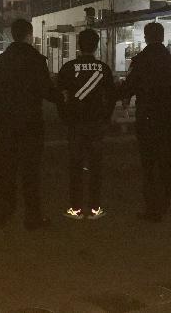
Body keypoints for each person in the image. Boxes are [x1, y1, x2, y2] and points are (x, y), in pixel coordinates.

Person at [0, 19, 54, 230]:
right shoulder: (37, 60)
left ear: (13, 35)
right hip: (32, 122)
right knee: (31, 170)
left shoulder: (0, 61)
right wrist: (63, 99)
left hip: (8, 122)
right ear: (29, 35)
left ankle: (3, 212)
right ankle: (32, 217)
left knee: (6, 168)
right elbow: (47, 90)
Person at [120, 22, 171, 222]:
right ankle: (165, 203)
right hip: (166, 118)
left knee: (148, 163)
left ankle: (151, 206)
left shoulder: (140, 61)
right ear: (162, 37)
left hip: (147, 117)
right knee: (165, 161)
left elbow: (128, 87)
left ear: (146, 37)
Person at [57, 29, 116, 220]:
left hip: (75, 123)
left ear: (79, 45)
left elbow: (59, 95)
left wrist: (65, 116)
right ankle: (94, 209)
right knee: (95, 166)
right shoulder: (103, 69)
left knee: (75, 165)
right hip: (96, 124)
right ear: (96, 46)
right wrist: (106, 117)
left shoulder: (68, 67)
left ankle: (75, 208)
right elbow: (111, 96)